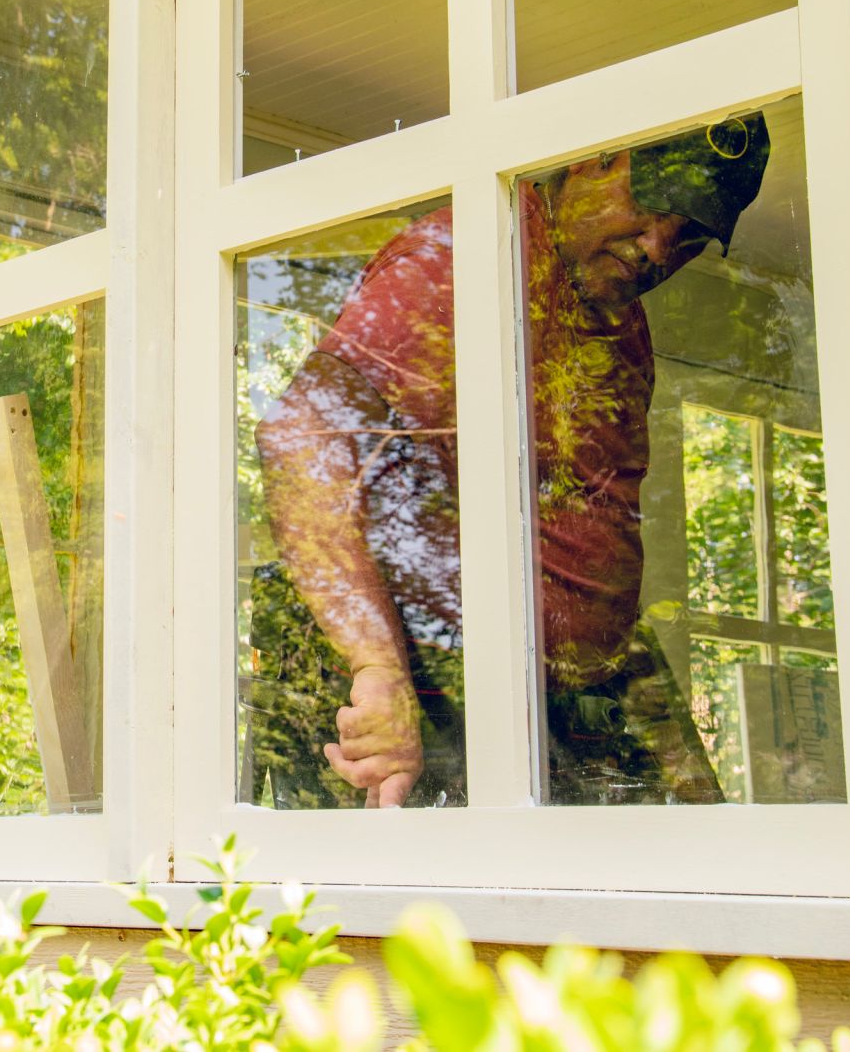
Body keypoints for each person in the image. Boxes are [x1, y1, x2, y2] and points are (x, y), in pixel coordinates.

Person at [253, 113, 771, 808]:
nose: (657, 248)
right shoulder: (465, 260)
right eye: (651, 210)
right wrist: (377, 668)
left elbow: (591, 547)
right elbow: (304, 437)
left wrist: (673, 751)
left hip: (574, 700)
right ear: (594, 160)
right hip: (444, 691)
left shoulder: (621, 324)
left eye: (689, 237)